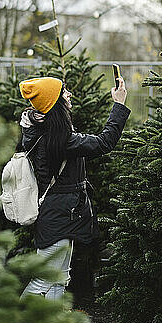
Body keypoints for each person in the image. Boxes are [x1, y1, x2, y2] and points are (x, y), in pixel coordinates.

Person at [18, 75, 130, 302]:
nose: (69, 95)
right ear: (54, 103)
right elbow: (103, 143)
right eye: (64, 92)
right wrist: (118, 105)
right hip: (57, 215)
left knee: (59, 276)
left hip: (63, 213)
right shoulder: (57, 139)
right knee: (44, 278)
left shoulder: (45, 128)